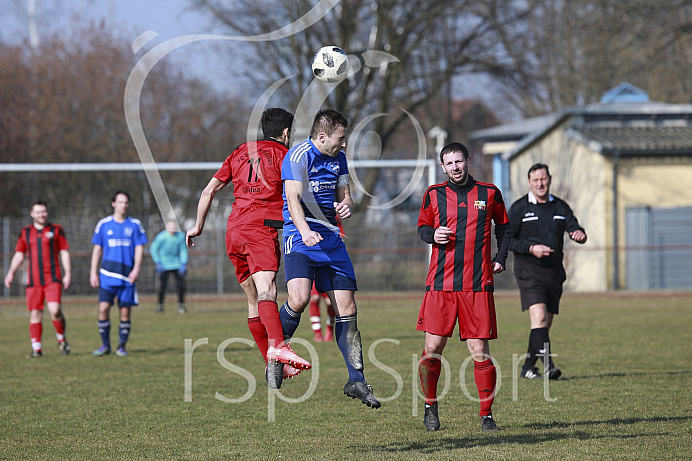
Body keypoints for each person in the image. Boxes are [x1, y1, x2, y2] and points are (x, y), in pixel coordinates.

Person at [186, 107, 311, 390]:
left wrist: (197, 226)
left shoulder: (239, 151)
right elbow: (296, 195)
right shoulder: (286, 155)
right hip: (259, 229)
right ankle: (278, 348)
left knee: (253, 299)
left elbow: (209, 191)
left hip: (234, 231)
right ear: (287, 132)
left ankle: (269, 362)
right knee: (268, 290)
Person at [279, 108, 381, 409]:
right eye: (341, 137)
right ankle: (276, 351)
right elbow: (292, 198)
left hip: (332, 241)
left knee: (347, 308)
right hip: (300, 238)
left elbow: (345, 192)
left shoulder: (339, 157)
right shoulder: (298, 156)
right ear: (322, 137)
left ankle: (357, 380)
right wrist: (305, 230)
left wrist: (346, 203)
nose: (344, 143)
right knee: (298, 299)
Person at [416, 142, 511, 432]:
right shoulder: (433, 194)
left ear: (468, 161)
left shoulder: (490, 192)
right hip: (441, 284)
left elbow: (505, 227)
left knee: (479, 350)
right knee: (432, 347)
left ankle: (486, 415)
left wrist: (500, 257)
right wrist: (434, 234)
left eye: (460, 161)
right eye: (450, 163)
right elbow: (421, 229)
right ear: (443, 167)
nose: (456, 167)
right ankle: (430, 406)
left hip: (477, 284)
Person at [508, 163, 587, 381]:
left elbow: (574, 227)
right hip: (528, 270)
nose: (540, 184)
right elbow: (507, 240)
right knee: (540, 317)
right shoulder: (519, 209)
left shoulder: (560, 207)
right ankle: (549, 366)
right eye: (536, 180)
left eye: (543, 179)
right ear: (529, 183)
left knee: (543, 324)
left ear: (549, 179)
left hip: (553, 272)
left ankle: (527, 367)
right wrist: (531, 249)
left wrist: (579, 233)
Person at [4, 201, 72, 357]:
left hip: (53, 278)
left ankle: (62, 341)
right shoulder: (26, 232)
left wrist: (68, 273)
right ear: (32, 214)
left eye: (44, 211)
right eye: (38, 212)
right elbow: (19, 254)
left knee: (55, 311)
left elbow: (64, 252)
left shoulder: (56, 230)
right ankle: (37, 349)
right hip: (34, 281)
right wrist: (11, 273)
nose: (42, 215)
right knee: (35, 313)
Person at [90, 190, 148, 357]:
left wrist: (137, 268)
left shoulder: (135, 224)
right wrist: (93, 272)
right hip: (107, 275)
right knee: (103, 309)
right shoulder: (103, 224)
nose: (123, 205)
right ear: (113, 203)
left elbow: (139, 248)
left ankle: (121, 346)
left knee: (125, 312)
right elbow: (97, 249)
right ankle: (105, 345)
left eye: (126, 202)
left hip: (126, 276)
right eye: (120, 202)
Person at [150, 219, 189, 314]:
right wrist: (158, 262)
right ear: (166, 227)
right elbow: (153, 249)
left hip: (177, 264)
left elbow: (183, 250)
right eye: (170, 227)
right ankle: (160, 306)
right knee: (162, 286)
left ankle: (181, 305)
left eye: (174, 227)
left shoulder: (180, 237)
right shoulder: (161, 237)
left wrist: (183, 263)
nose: (172, 229)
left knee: (180, 286)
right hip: (164, 264)